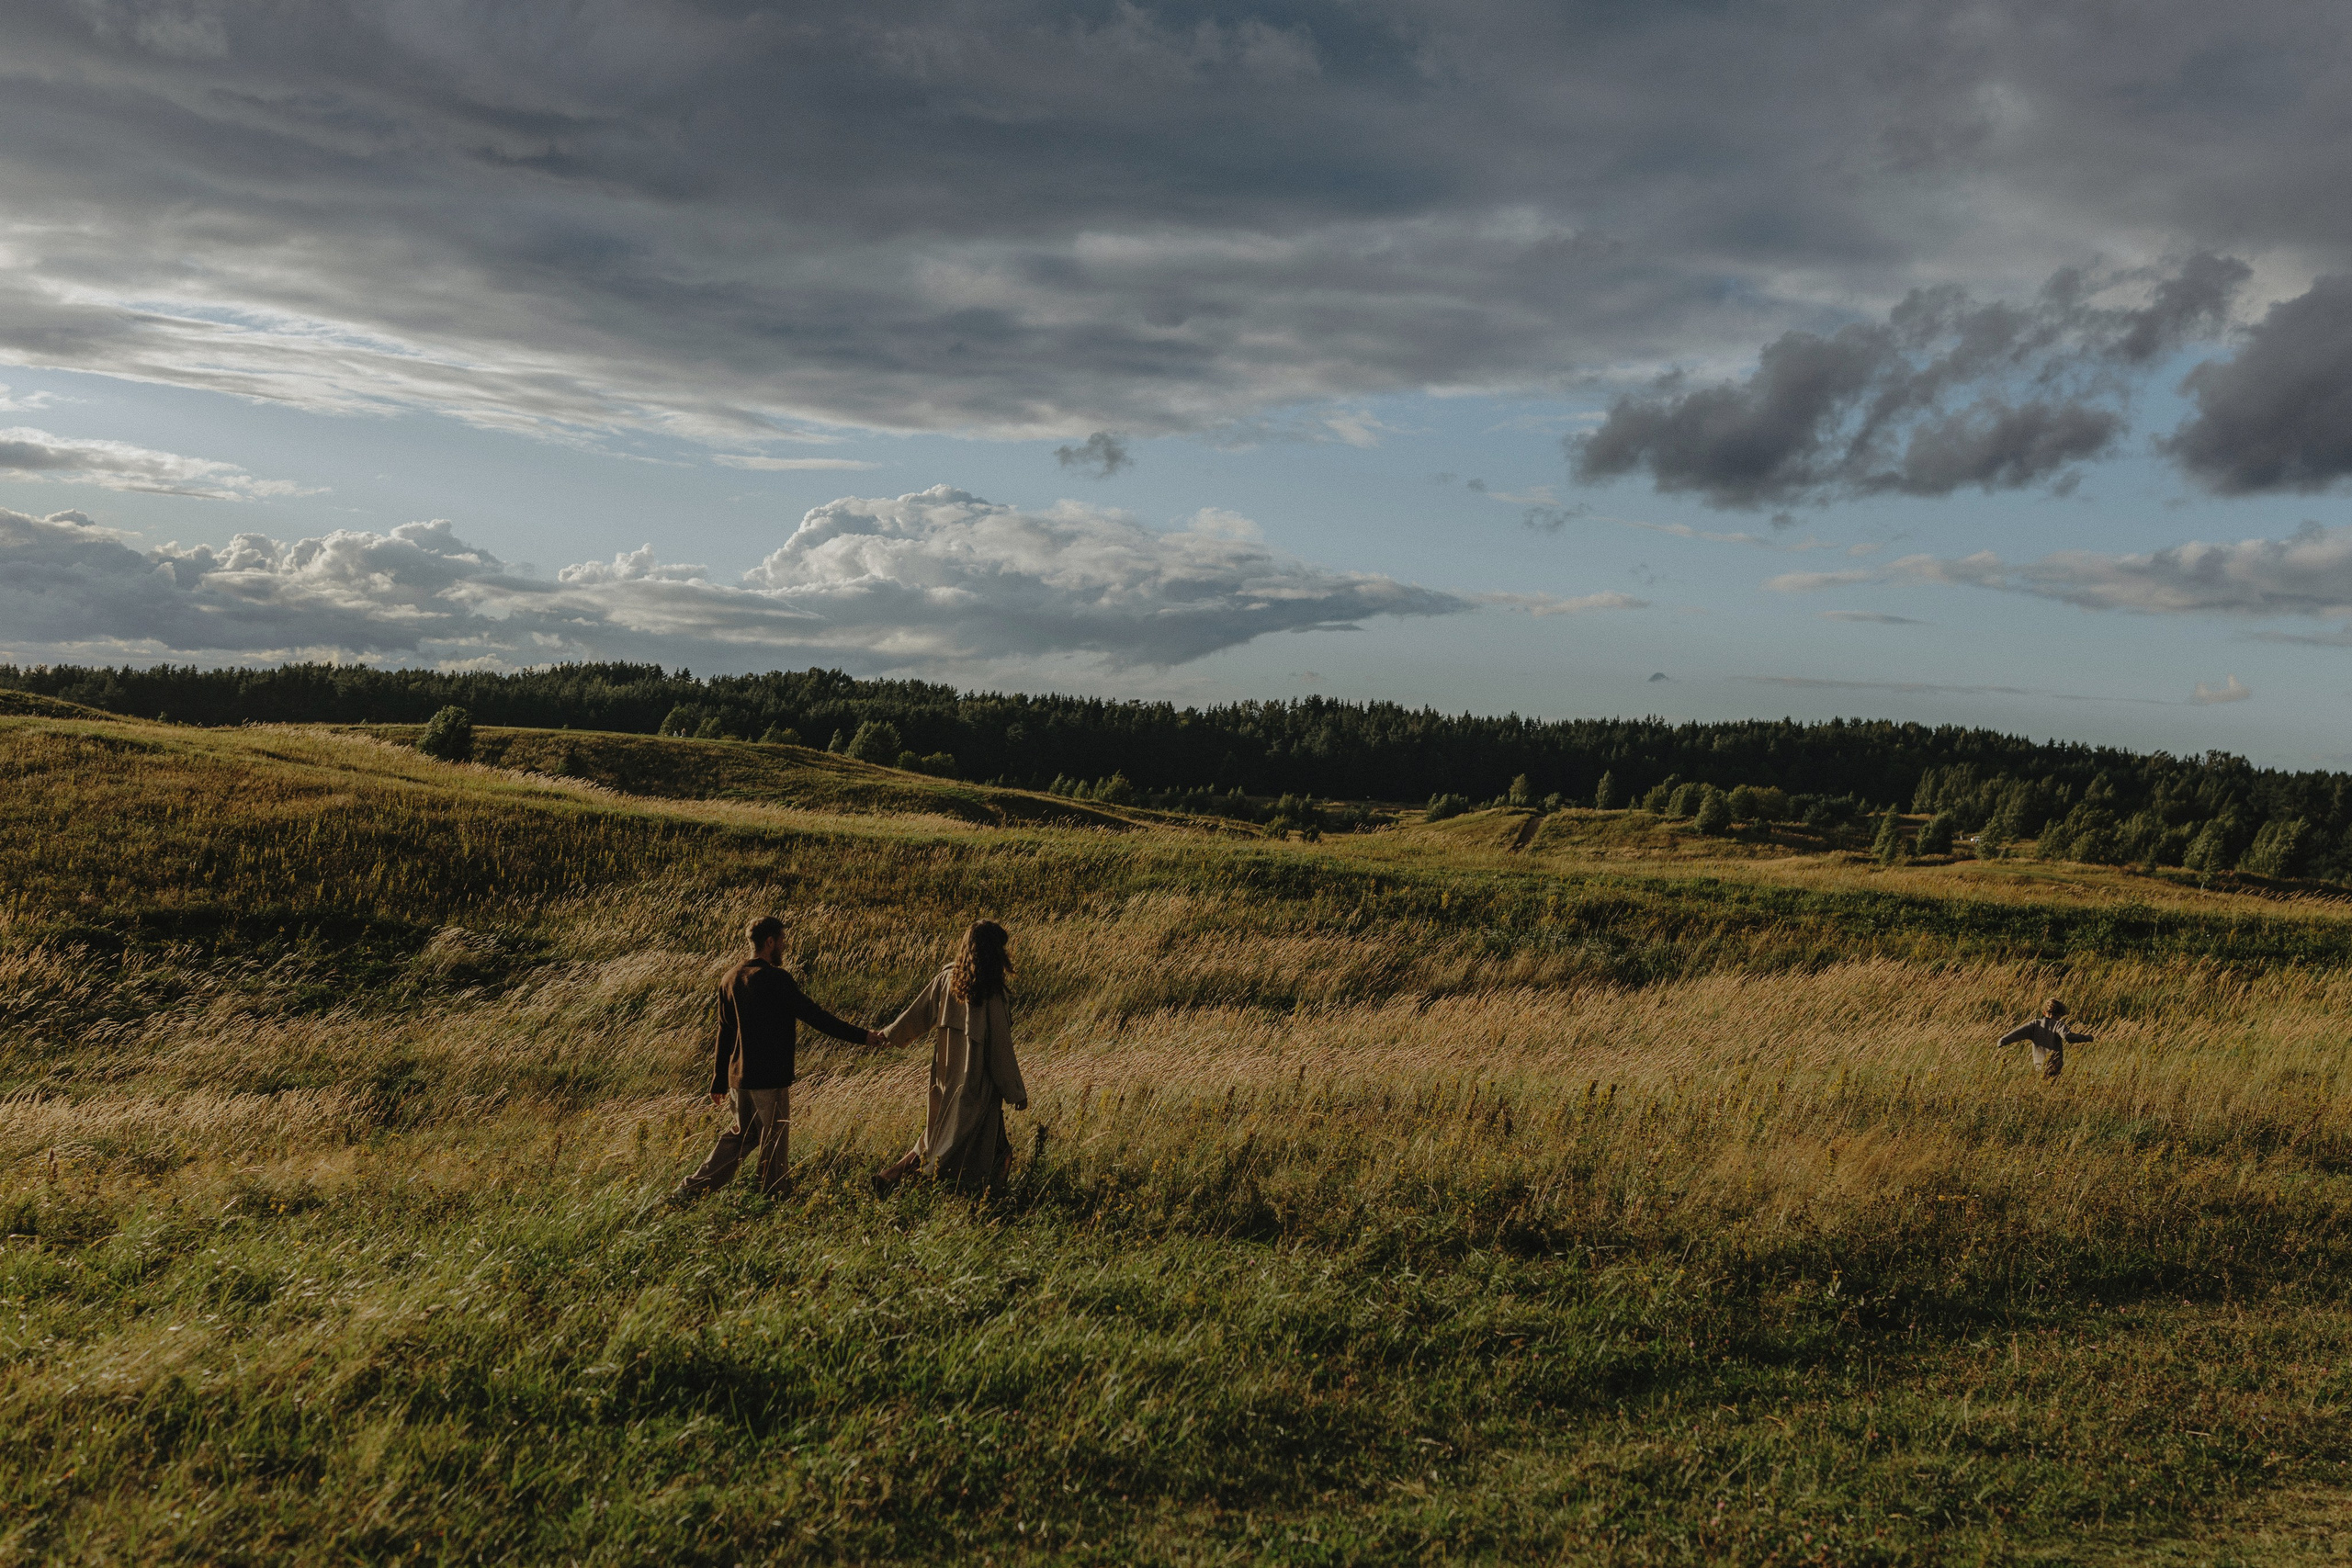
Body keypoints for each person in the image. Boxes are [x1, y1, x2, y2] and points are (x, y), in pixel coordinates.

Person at [659, 915, 883, 1208]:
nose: (784, 948)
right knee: (774, 1144)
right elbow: (815, 1016)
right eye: (782, 942)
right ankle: (775, 1199)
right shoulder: (777, 979)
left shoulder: (729, 978)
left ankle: (688, 1192)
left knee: (739, 1137)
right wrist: (863, 1037)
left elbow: (724, 1031)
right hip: (769, 1080)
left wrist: (718, 1080)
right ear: (769, 942)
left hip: (739, 1079)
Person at [871, 919, 1028, 1197]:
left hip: (945, 1075)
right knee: (974, 1146)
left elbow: (916, 1014)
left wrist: (889, 1035)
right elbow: (1000, 1049)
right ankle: (989, 1200)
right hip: (977, 1081)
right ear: (993, 952)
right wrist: (1015, 1092)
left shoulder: (947, 980)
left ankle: (892, 1175)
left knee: (938, 1136)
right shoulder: (991, 992)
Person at [1997, 997, 2094, 1079]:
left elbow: (2017, 1033)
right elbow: (2068, 1037)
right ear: (2060, 1014)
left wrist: (2003, 1040)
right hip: (2054, 1069)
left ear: (2044, 1012)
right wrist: (2087, 1037)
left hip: (2039, 1068)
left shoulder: (2035, 1024)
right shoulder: (2058, 1025)